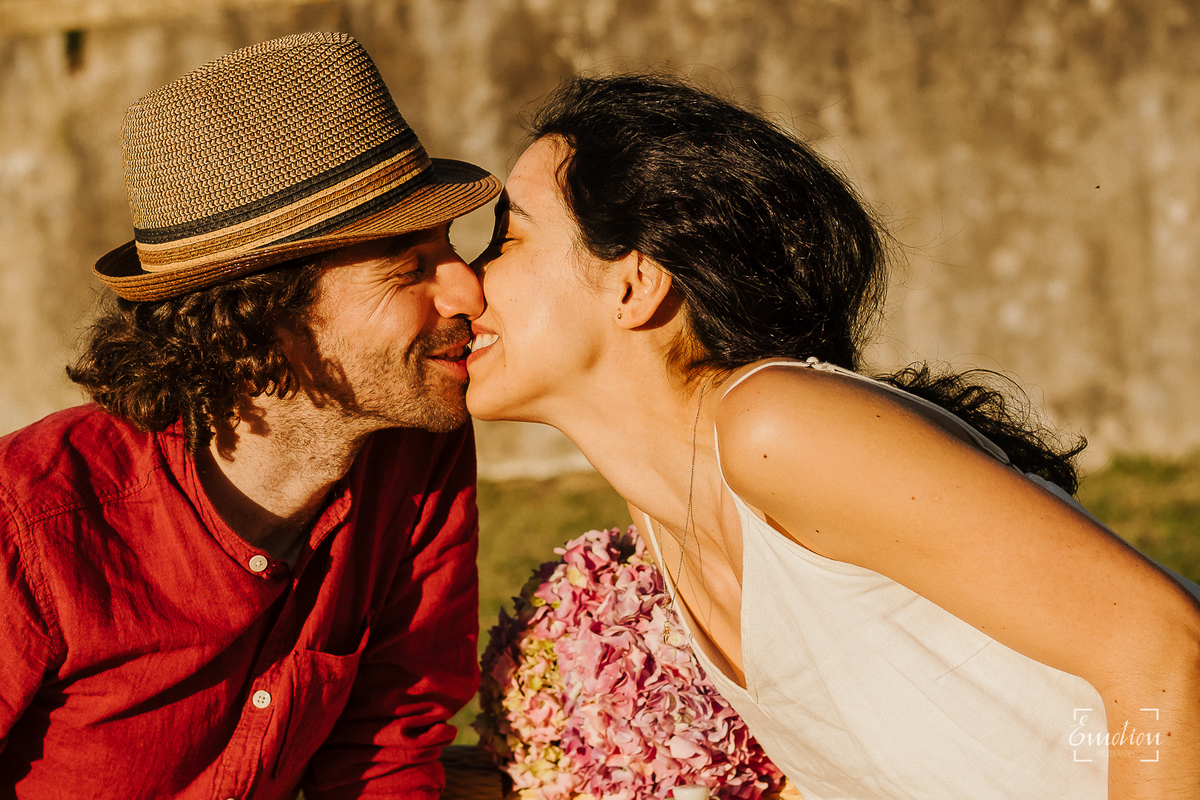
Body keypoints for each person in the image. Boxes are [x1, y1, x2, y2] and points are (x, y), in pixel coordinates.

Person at [464, 73, 1200, 799]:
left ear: (634, 283)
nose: (467, 279)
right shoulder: (666, 524)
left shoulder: (774, 427)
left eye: (507, 237)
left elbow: (1164, 648)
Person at [0, 33, 500, 798]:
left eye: (451, 247)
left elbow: (389, 743)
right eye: (408, 266)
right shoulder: (33, 527)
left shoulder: (417, 452)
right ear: (262, 315)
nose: (470, 293)